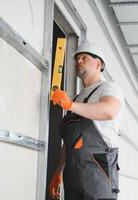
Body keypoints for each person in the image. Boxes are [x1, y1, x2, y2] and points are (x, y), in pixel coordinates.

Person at [49, 41, 125, 200]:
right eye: (77, 59)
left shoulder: (109, 88)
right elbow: (70, 140)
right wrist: (59, 171)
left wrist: (70, 105)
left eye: (84, 57)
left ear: (98, 64)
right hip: (73, 171)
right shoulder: (78, 98)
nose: (79, 61)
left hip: (98, 168)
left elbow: (109, 111)